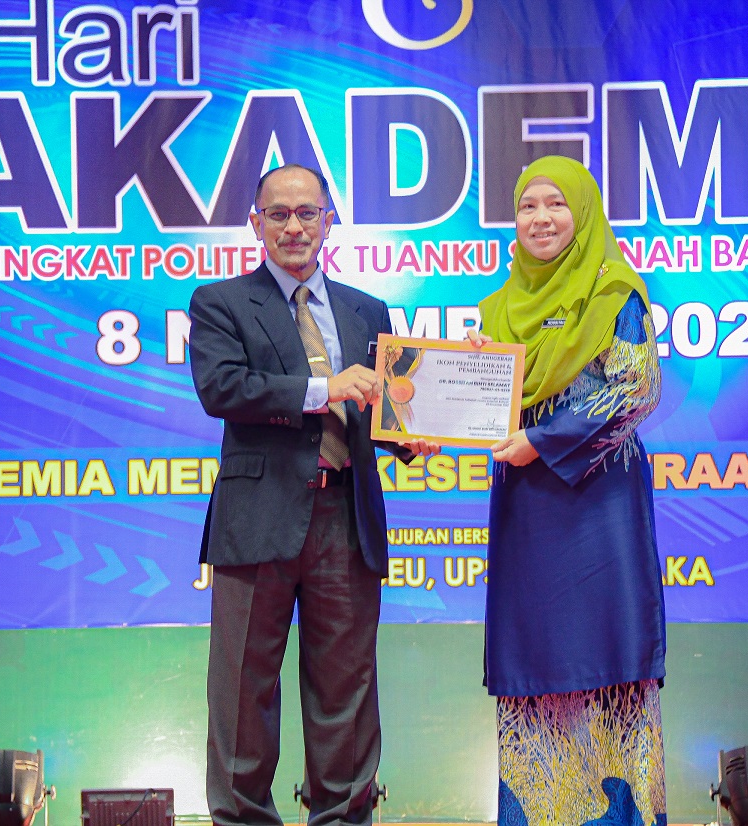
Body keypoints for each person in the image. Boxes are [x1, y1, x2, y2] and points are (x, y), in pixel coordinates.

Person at [188, 163, 435, 826]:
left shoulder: (366, 310)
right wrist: (327, 389)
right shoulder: (220, 302)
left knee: (346, 695)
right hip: (257, 518)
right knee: (242, 693)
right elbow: (222, 389)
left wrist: (409, 438)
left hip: (345, 517)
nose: (294, 227)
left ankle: (344, 818)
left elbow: (378, 409)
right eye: (279, 214)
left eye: (307, 213)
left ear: (330, 220)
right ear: (256, 224)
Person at [470, 155, 666, 826]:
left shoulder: (616, 294)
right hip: (528, 512)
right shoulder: (499, 309)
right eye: (527, 206)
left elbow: (635, 390)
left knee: (610, 657)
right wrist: (468, 385)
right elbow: (491, 406)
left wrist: (543, 440)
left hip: (601, 508)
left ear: (582, 214)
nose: (541, 218)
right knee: (534, 666)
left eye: (556, 203)